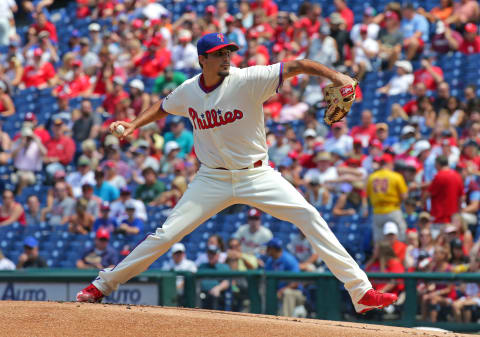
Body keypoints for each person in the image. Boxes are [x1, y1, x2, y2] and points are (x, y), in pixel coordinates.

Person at [77, 32, 397, 313]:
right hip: (211, 178)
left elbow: (297, 65)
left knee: (309, 216)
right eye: (219, 54)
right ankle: (102, 285)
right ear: (203, 59)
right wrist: (133, 125)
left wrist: (337, 76)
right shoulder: (189, 90)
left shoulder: (248, 79)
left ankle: (361, 292)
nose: (227, 57)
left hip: (257, 174)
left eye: (229, 51)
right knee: (166, 235)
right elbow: (164, 104)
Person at [367, 154, 408, 242]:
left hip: (377, 211)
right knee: (401, 234)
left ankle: (381, 255)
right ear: (389, 163)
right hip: (393, 210)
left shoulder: (372, 177)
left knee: (379, 240)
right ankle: (400, 253)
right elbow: (404, 196)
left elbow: (368, 195)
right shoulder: (396, 176)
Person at [198, 245, 231, 310]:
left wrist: (218, 288)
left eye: (213, 254)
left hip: (216, 295)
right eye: (209, 254)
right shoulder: (202, 266)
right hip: (201, 294)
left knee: (214, 296)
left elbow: (227, 282)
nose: (211, 256)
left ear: (218, 255)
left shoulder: (224, 267)